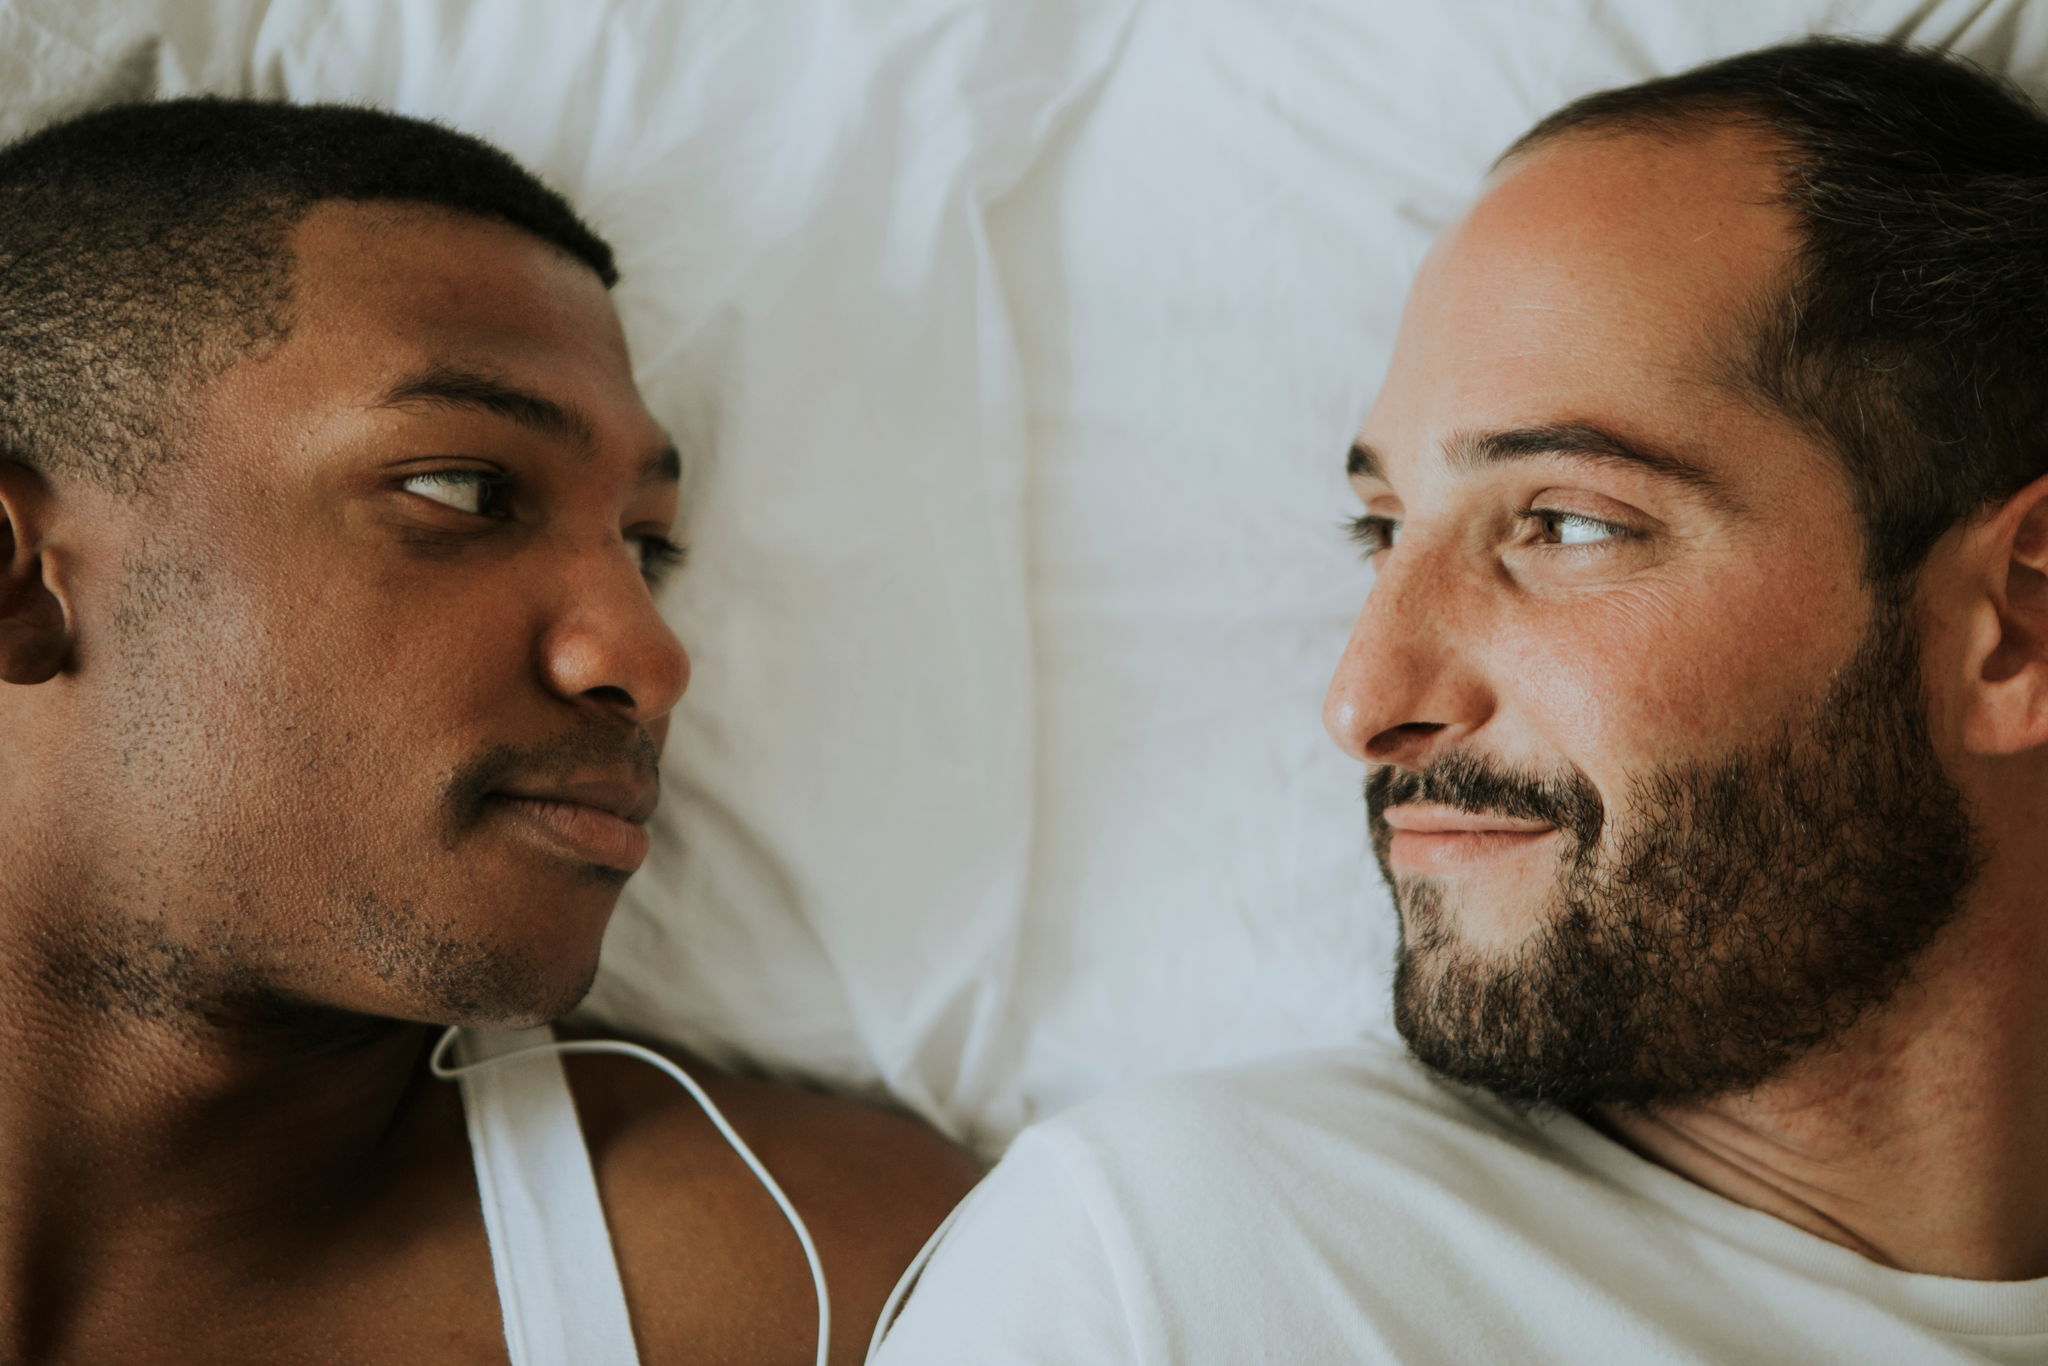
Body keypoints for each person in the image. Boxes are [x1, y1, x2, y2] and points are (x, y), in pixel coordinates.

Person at [874, 36, 2048, 1364]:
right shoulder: (1183, 1269)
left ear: (2014, 623)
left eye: (1563, 524)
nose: (1363, 704)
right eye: (1383, 530)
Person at [0, 97, 978, 1366]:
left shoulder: (827, 1280)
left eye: (649, 548)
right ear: (21, 583)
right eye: (463, 490)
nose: (648, 657)